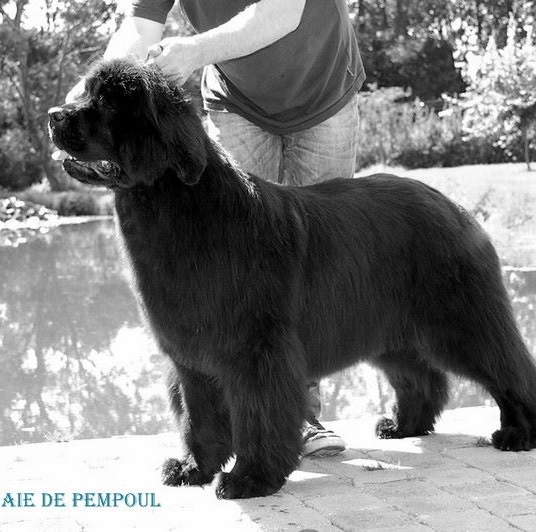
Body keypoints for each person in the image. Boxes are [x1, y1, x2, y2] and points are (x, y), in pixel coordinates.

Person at [68, 0, 366, 457]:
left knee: (314, 268)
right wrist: (95, 87)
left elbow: (282, 13)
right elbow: (141, 26)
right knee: (235, 273)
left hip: (324, 94)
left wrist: (194, 51)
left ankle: (297, 420)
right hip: (237, 103)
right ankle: (226, 429)